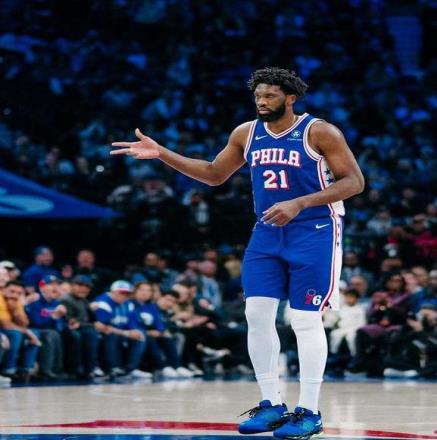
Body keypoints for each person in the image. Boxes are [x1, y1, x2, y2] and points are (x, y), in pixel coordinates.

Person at [111, 67, 364, 438]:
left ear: (290, 97)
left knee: (304, 321)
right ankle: (271, 404)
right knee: (256, 314)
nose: (261, 101)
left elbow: (355, 182)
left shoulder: (319, 131)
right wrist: (162, 153)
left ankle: (309, 411)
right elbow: (214, 174)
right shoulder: (246, 133)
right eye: (258, 95)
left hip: (315, 231)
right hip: (267, 232)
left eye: (270, 95)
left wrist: (300, 202)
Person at [91, 280, 151, 379]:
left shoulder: (128, 304)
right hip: (104, 335)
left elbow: (132, 323)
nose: (124, 296)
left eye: (127, 294)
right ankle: (112, 367)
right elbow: (103, 327)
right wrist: (126, 333)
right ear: (113, 292)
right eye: (121, 293)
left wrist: (134, 331)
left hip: (120, 332)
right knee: (111, 335)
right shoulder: (103, 302)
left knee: (140, 334)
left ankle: (130, 369)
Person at [59, 275, 103, 378]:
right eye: (80, 285)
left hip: (83, 328)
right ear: (72, 285)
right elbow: (70, 321)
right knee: (89, 333)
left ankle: (93, 367)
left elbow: (92, 319)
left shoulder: (84, 301)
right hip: (66, 329)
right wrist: (91, 324)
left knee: (97, 332)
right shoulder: (66, 299)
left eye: (87, 287)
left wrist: (92, 314)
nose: (83, 289)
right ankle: (85, 368)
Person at [24, 275, 67, 380]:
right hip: (33, 329)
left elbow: (60, 327)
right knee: (49, 334)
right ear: (42, 287)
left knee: (60, 334)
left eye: (57, 285)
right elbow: (36, 323)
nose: (55, 287)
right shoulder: (35, 300)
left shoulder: (56, 303)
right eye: (51, 284)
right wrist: (53, 316)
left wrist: (61, 318)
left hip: (50, 330)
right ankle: (45, 370)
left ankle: (56, 369)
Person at [0, 281, 41, 379]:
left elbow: (25, 323)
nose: (15, 295)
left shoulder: (16, 301)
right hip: (3, 330)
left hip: (9, 330)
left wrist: (15, 312)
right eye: (12, 291)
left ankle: (27, 370)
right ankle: (9, 369)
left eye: (19, 293)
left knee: (35, 332)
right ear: (3, 290)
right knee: (16, 334)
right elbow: (5, 324)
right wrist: (27, 332)